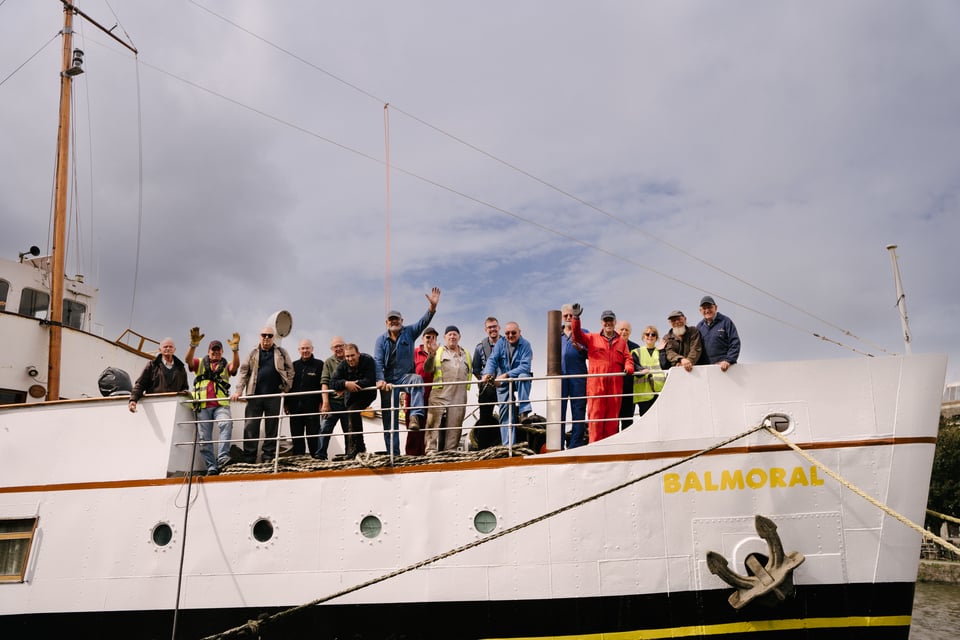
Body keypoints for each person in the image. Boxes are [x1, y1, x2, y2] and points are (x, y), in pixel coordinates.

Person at [374, 287, 441, 455]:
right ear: (386, 323)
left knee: (417, 378)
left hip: (405, 376)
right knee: (390, 421)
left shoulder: (409, 332)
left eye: (396, 319)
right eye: (391, 320)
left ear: (402, 321)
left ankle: (415, 416)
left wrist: (432, 308)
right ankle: (393, 454)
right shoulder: (381, 340)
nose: (394, 322)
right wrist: (380, 380)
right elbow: (378, 361)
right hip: (388, 381)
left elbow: (423, 323)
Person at [231, 326, 295, 463]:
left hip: (274, 395)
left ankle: (268, 456)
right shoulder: (252, 353)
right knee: (250, 426)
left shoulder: (281, 352)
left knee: (272, 427)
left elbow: (290, 370)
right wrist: (238, 390)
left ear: (273, 338)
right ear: (259, 336)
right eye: (264, 335)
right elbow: (243, 372)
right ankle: (249, 457)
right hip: (254, 395)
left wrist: (286, 387)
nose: (266, 338)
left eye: (269, 335)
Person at [570, 307, 634, 443]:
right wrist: (575, 319)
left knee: (612, 421)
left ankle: (608, 449)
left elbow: (628, 358)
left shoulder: (622, 342)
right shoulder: (592, 338)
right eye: (606, 320)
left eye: (610, 320)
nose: (608, 323)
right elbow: (577, 336)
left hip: (615, 386)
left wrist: (628, 367)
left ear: (615, 322)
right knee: (596, 419)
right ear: (601, 322)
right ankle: (594, 450)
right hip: (596, 386)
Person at [185, 329, 240, 475]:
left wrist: (235, 350)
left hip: (220, 404)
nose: (215, 353)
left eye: (218, 350)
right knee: (204, 438)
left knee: (226, 423)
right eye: (213, 350)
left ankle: (222, 458)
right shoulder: (200, 363)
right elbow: (188, 361)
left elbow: (235, 366)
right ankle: (211, 467)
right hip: (202, 405)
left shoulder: (226, 364)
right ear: (208, 351)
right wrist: (193, 345)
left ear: (222, 352)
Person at [481, 321, 533, 447]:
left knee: (523, 376)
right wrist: (487, 373)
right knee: (505, 412)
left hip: (517, 379)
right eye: (507, 333)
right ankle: (508, 446)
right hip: (503, 382)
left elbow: (525, 367)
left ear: (519, 333)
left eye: (513, 333)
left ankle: (524, 411)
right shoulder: (500, 343)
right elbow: (492, 359)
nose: (510, 335)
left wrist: (506, 375)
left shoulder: (525, 345)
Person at [423, 326, 471, 454]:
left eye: (455, 334)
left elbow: (472, 371)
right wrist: (431, 354)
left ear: (459, 337)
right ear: (444, 338)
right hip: (440, 391)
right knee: (433, 421)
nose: (452, 336)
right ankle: (430, 450)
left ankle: (451, 450)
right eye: (449, 334)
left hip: (459, 394)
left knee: (456, 422)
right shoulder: (438, 351)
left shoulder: (466, 353)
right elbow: (427, 369)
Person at [330, 344, 378, 459]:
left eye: (352, 356)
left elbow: (370, 380)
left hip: (366, 395)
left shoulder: (367, 360)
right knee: (350, 419)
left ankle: (359, 447)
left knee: (353, 412)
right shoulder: (343, 365)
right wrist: (346, 384)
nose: (350, 359)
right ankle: (353, 449)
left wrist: (351, 385)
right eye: (347, 356)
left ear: (358, 354)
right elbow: (332, 383)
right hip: (351, 397)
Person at [129, 337, 188, 413]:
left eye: (170, 346)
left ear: (174, 350)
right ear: (160, 350)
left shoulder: (181, 368)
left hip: (174, 409)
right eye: (165, 346)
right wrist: (133, 400)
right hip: (155, 407)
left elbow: (184, 388)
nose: (168, 348)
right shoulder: (152, 365)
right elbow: (140, 384)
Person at [286, 339, 324, 456]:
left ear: (312, 349)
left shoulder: (319, 365)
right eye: (302, 348)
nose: (305, 351)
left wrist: (322, 403)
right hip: (295, 408)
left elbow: (323, 384)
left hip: (312, 408)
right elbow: (288, 386)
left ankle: (316, 460)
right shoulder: (293, 366)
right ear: (299, 350)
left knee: (313, 437)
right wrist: (286, 403)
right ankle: (299, 461)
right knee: (296, 437)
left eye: (307, 348)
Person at [560, 304, 588, 449]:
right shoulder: (555, 334)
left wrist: (581, 349)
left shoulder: (583, 333)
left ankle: (575, 444)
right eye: (566, 316)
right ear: (562, 317)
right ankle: (558, 444)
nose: (569, 318)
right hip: (561, 379)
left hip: (578, 377)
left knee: (579, 411)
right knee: (559, 412)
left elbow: (591, 354)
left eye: (571, 315)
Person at [317, 337, 349, 460]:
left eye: (341, 345)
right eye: (336, 347)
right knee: (324, 429)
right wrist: (325, 403)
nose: (339, 349)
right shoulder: (328, 362)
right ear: (332, 349)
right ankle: (321, 455)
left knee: (350, 431)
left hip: (348, 403)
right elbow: (324, 382)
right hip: (333, 402)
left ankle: (349, 455)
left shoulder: (350, 359)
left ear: (345, 346)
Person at [408, 327, 439, 455]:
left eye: (433, 337)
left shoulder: (440, 353)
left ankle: (427, 456)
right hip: (414, 397)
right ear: (422, 338)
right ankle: (412, 457)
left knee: (430, 427)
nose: (430, 339)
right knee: (414, 429)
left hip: (433, 397)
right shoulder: (414, 353)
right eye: (428, 337)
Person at [696, 296, 741, 371]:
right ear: (700, 311)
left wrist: (728, 360)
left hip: (725, 369)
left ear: (715, 308)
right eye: (704, 308)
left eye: (709, 307)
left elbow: (735, 343)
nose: (707, 310)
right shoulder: (699, 327)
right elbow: (696, 348)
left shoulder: (726, 321)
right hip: (707, 370)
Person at [472, 317, 502, 428]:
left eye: (494, 326)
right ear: (486, 330)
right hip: (487, 388)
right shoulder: (480, 348)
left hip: (503, 385)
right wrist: (484, 380)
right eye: (490, 327)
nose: (492, 329)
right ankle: (484, 444)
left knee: (509, 415)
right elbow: (475, 368)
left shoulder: (507, 344)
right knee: (485, 419)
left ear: (499, 328)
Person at [630, 325, 665, 418]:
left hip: (659, 391)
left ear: (656, 338)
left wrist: (662, 351)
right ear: (643, 337)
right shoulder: (636, 352)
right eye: (647, 334)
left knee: (660, 419)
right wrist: (641, 370)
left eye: (653, 334)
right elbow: (634, 365)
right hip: (643, 393)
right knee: (646, 420)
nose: (650, 336)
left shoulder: (660, 351)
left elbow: (665, 365)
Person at [616, 320, 641, 430]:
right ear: (617, 331)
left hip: (629, 389)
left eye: (626, 330)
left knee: (627, 419)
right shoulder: (611, 345)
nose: (624, 332)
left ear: (630, 332)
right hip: (615, 389)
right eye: (621, 329)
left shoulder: (636, 347)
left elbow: (639, 365)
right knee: (614, 419)